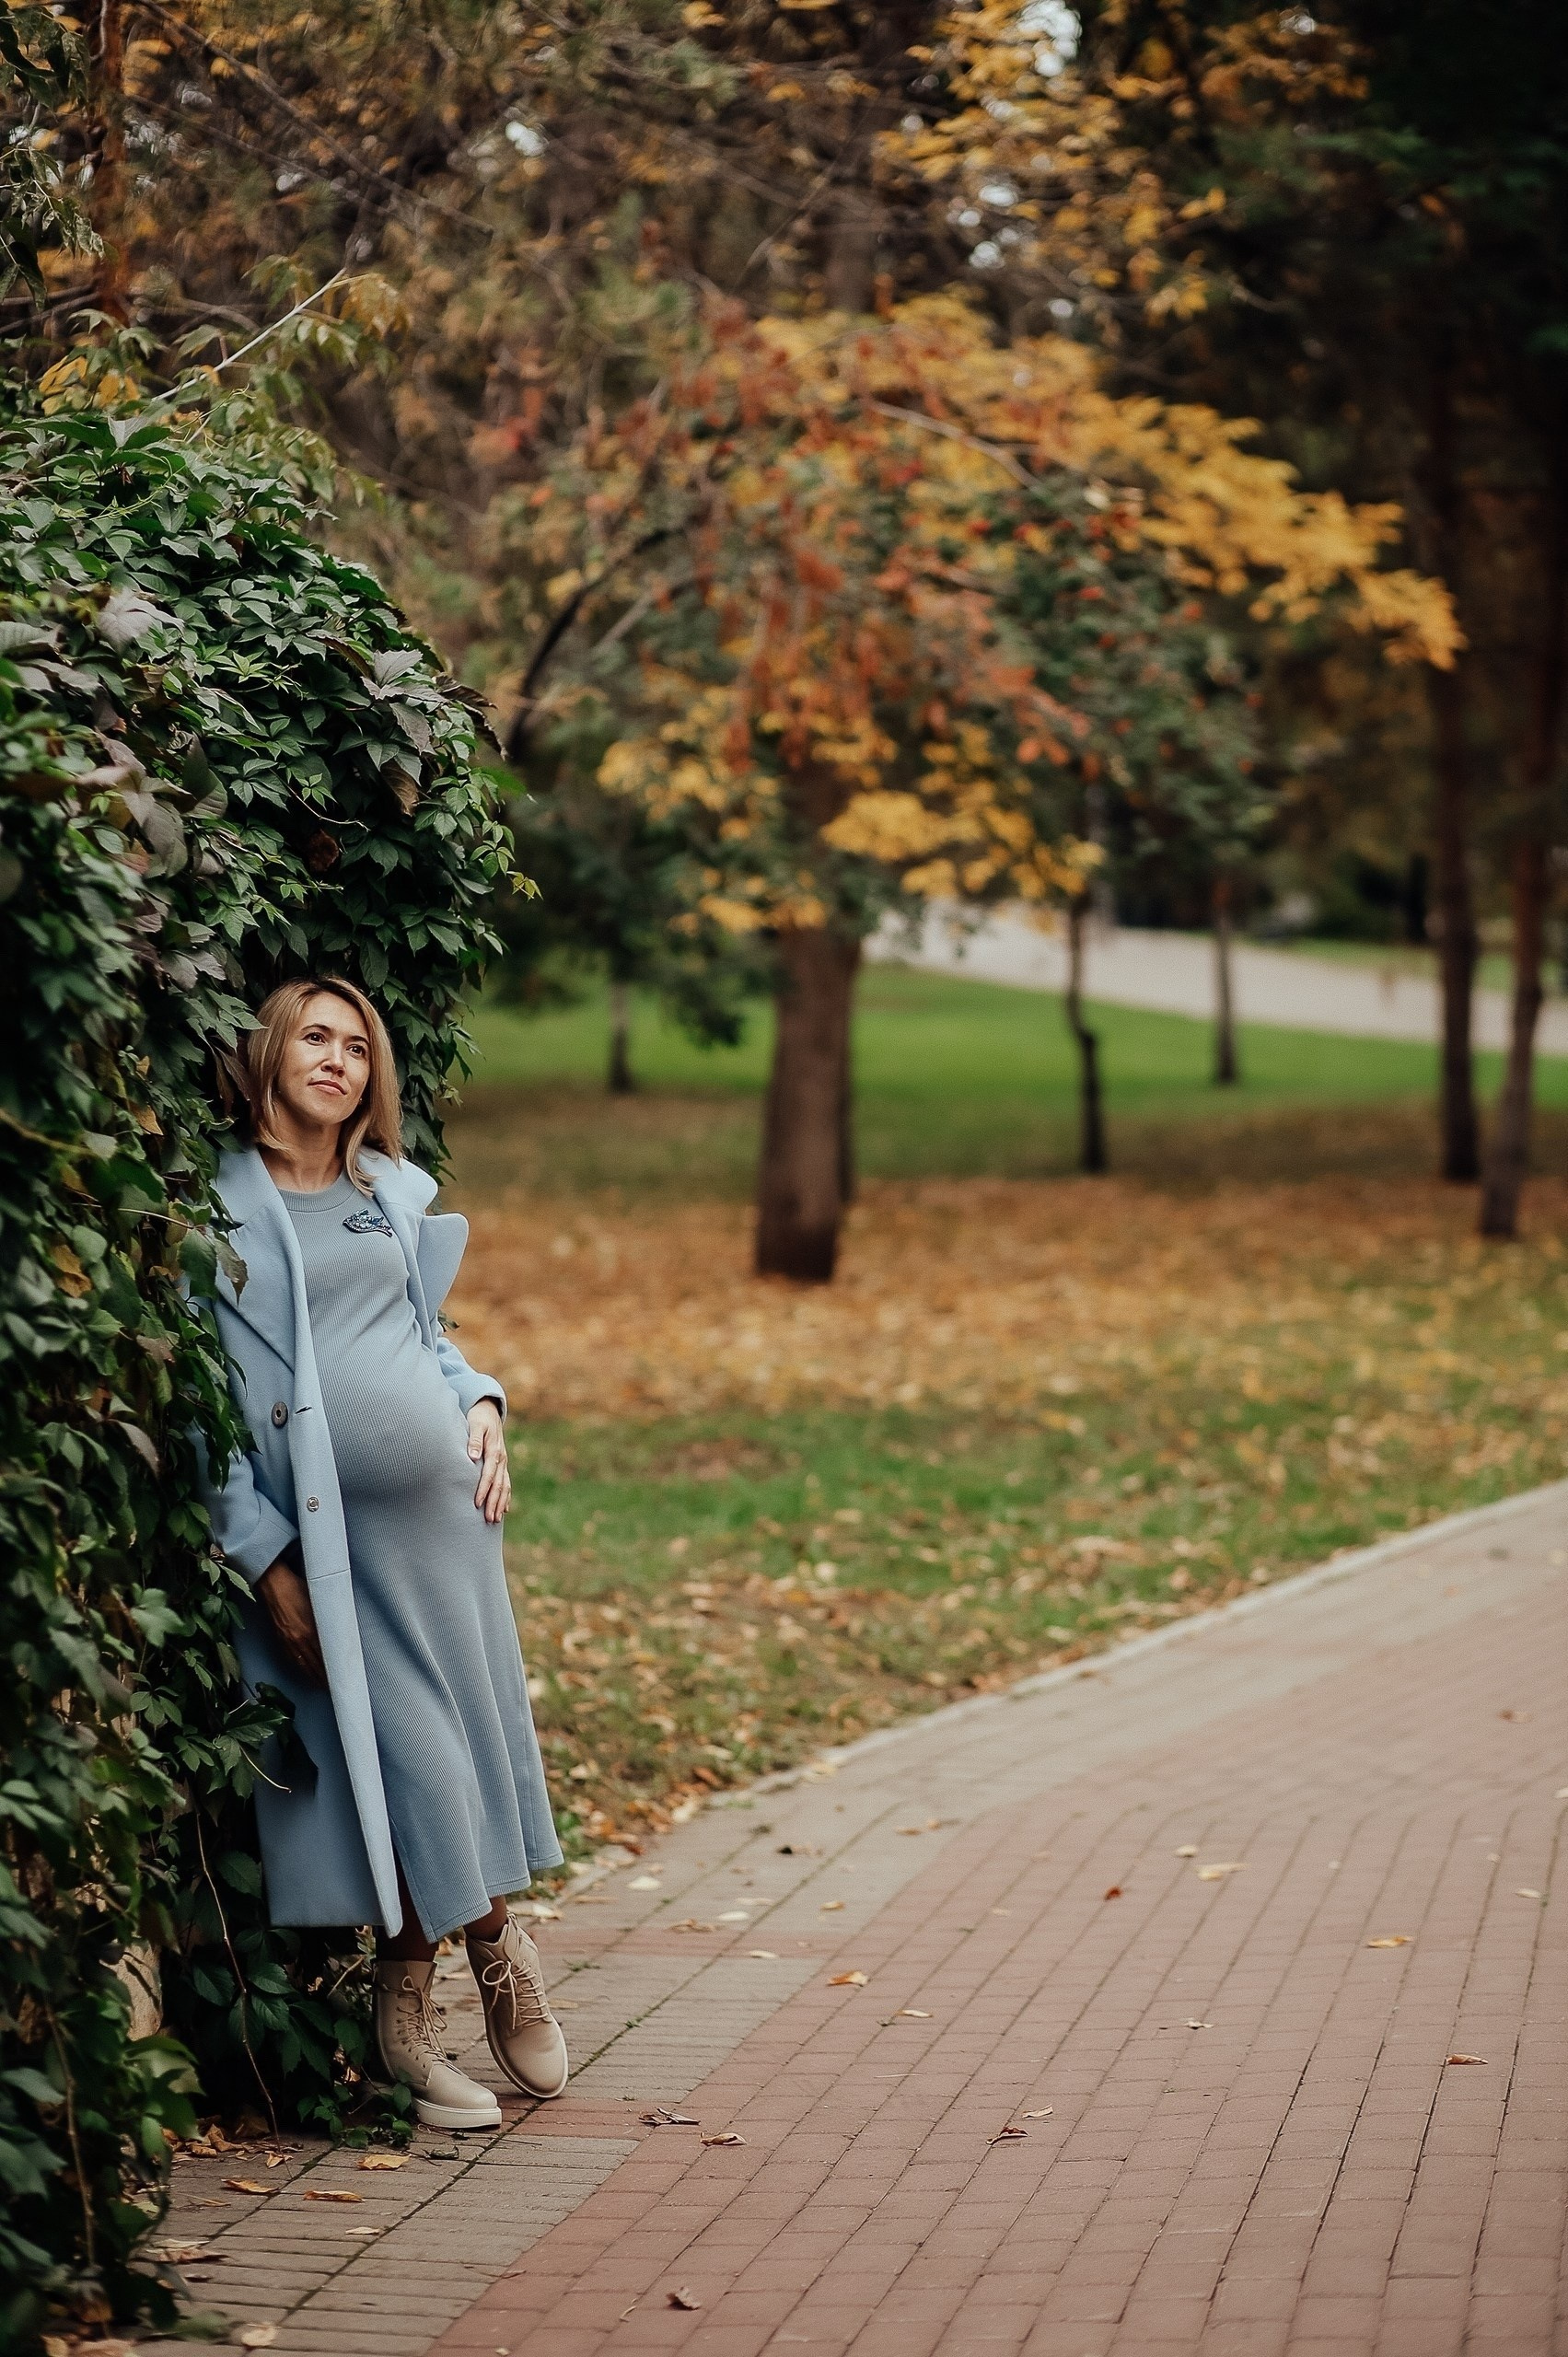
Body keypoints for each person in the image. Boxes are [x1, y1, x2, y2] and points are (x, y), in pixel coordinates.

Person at [196, 975, 568, 2131]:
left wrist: (486, 1405)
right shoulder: (214, 1212)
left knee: (457, 1752)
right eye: (315, 1037)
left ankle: (410, 2003)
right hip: (332, 1547)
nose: (338, 1061)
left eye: (357, 1047)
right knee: (417, 1767)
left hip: (444, 1529)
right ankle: (487, 1958)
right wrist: (264, 1561)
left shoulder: (383, 1192)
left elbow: (429, 1337)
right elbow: (198, 1416)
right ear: (271, 1052)